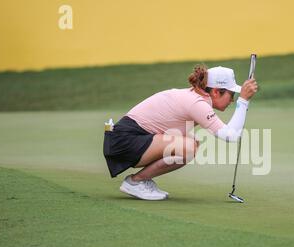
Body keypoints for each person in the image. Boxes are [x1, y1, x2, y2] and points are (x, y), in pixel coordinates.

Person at [103, 64, 258, 200]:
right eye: (231, 95)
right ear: (216, 92)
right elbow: (231, 135)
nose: (232, 100)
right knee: (188, 147)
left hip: (126, 139)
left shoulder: (195, 97)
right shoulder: (197, 103)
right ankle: (136, 181)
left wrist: (242, 99)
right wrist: (243, 101)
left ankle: (141, 180)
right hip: (124, 141)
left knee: (190, 141)